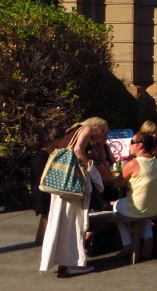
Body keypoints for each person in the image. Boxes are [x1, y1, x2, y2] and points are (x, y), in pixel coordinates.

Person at [39, 117, 109, 276]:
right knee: (74, 223)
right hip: (72, 183)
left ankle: (63, 260)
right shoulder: (87, 129)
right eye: (102, 130)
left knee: (61, 221)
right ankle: (74, 264)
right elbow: (78, 150)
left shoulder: (71, 132)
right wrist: (88, 165)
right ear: (96, 125)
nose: (101, 135)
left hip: (60, 183)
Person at [113, 132, 157, 259]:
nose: (129, 145)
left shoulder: (133, 163)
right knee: (143, 208)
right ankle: (148, 238)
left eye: (132, 142)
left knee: (116, 206)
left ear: (140, 145)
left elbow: (118, 183)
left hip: (140, 208)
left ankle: (127, 243)